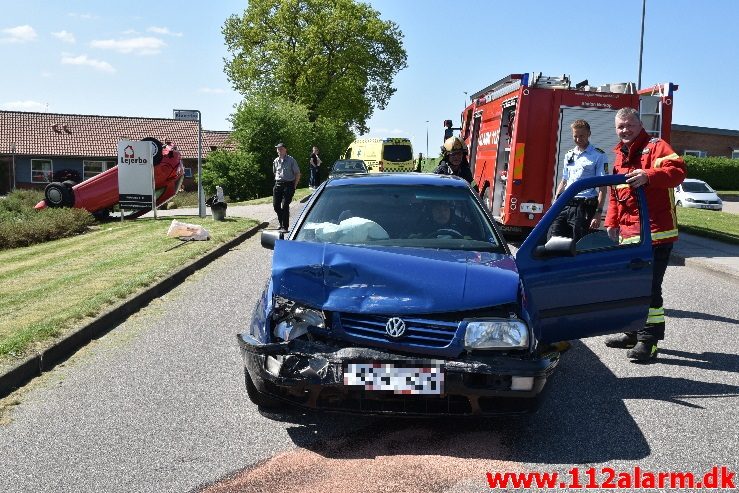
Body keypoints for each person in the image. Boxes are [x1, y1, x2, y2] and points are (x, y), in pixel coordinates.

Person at [603, 107, 686, 361]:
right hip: (629, 234)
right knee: (628, 287)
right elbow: (616, 193)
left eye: (629, 125)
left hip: (656, 233)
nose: (625, 130)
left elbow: (678, 173)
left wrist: (649, 175)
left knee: (649, 288)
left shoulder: (656, 146)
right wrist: (611, 220)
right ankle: (631, 333)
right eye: (620, 127)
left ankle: (649, 340)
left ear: (639, 125)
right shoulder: (619, 153)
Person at [549, 119, 608, 243]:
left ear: (589, 134)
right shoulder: (569, 155)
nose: (578, 139)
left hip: (584, 207)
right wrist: (555, 203)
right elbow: (564, 181)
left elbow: (603, 187)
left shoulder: (598, 155)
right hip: (566, 203)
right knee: (553, 240)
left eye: (582, 136)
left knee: (579, 243)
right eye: (575, 136)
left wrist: (598, 213)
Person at [272, 142, 301, 232]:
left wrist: (294, 186)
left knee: (285, 206)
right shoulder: (276, 161)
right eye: (278, 149)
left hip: (288, 185)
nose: (279, 151)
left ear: (285, 150)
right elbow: (274, 172)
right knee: (276, 206)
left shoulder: (291, 160)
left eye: (281, 149)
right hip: (278, 184)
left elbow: (297, 174)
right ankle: (281, 223)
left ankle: (285, 227)